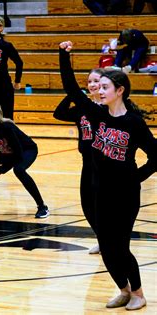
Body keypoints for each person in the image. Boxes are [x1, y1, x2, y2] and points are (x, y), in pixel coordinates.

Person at [59, 40, 157, 311]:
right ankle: (123, 290)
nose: (98, 91)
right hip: (99, 189)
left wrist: (137, 177)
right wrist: (64, 55)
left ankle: (138, 293)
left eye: (104, 87)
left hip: (125, 195)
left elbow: (156, 155)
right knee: (106, 246)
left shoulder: (134, 123)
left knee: (120, 247)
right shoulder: (96, 114)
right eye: (97, 86)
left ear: (120, 90)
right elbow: (71, 89)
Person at [53, 67, 105, 255]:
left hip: (105, 163)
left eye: (96, 81)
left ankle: (111, 240)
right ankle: (102, 238)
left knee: (103, 204)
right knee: (87, 203)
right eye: (89, 82)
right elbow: (58, 114)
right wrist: (72, 96)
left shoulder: (109, 108)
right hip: (87, 162)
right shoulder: (82, 108)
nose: (92, 85)